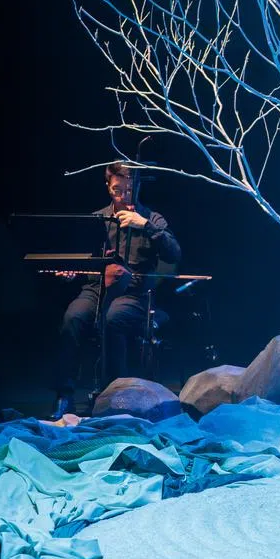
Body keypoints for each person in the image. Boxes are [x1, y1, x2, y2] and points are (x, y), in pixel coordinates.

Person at [54, 162, 181, 419]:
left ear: (136, 187)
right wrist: (71, 271)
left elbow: (174, 252)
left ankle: (114, 395)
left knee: (114, 318)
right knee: (73, 317)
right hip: (96, 288)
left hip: (133, 294)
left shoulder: (152, 218)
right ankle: (64, 395)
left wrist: (144, 225)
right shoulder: (97, 219)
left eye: (127, 190)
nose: (121, 196)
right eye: (116, 190)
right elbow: (82, 260)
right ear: (108, 187)